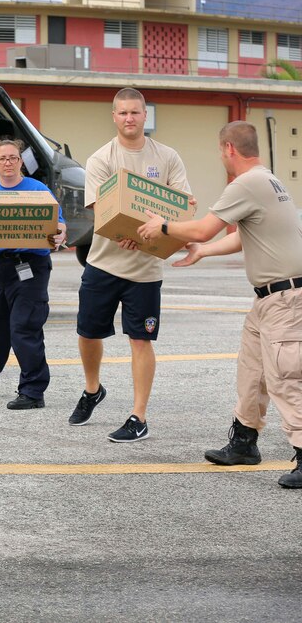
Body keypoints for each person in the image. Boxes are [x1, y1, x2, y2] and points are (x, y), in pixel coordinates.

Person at [136, 121, 302, 488]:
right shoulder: (267, 181)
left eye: (219, 150)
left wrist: (164, 227)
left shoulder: (246, 183)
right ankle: (244, 442)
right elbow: (242, 237)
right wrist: (202, 253)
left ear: (228, 148)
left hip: (286, 299)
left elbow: (202, 228)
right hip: (270, 298)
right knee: (252, 371)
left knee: (285, 377)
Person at [69, 87, 191, 441]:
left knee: (141, 340)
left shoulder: (167, 157)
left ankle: (138, 416)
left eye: (135, 112)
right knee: (88, 333)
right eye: (122, 113)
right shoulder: (101, 159)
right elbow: (99, 209)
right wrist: (125, 229)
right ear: (114, 116)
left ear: (144, 115)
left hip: (146, 270)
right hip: (104, 263)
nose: (129, 118)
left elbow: (180, 205)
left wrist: (145, 235)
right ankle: (93, 390)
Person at [0, 137, 67, 409]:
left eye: (13, 157)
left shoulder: (38, 191)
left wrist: (60, 234)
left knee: (24, 327)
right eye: (2, 158)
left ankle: (32, 391)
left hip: (31, 265)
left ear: (20, 161)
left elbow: (59, 225)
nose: (7, 162)